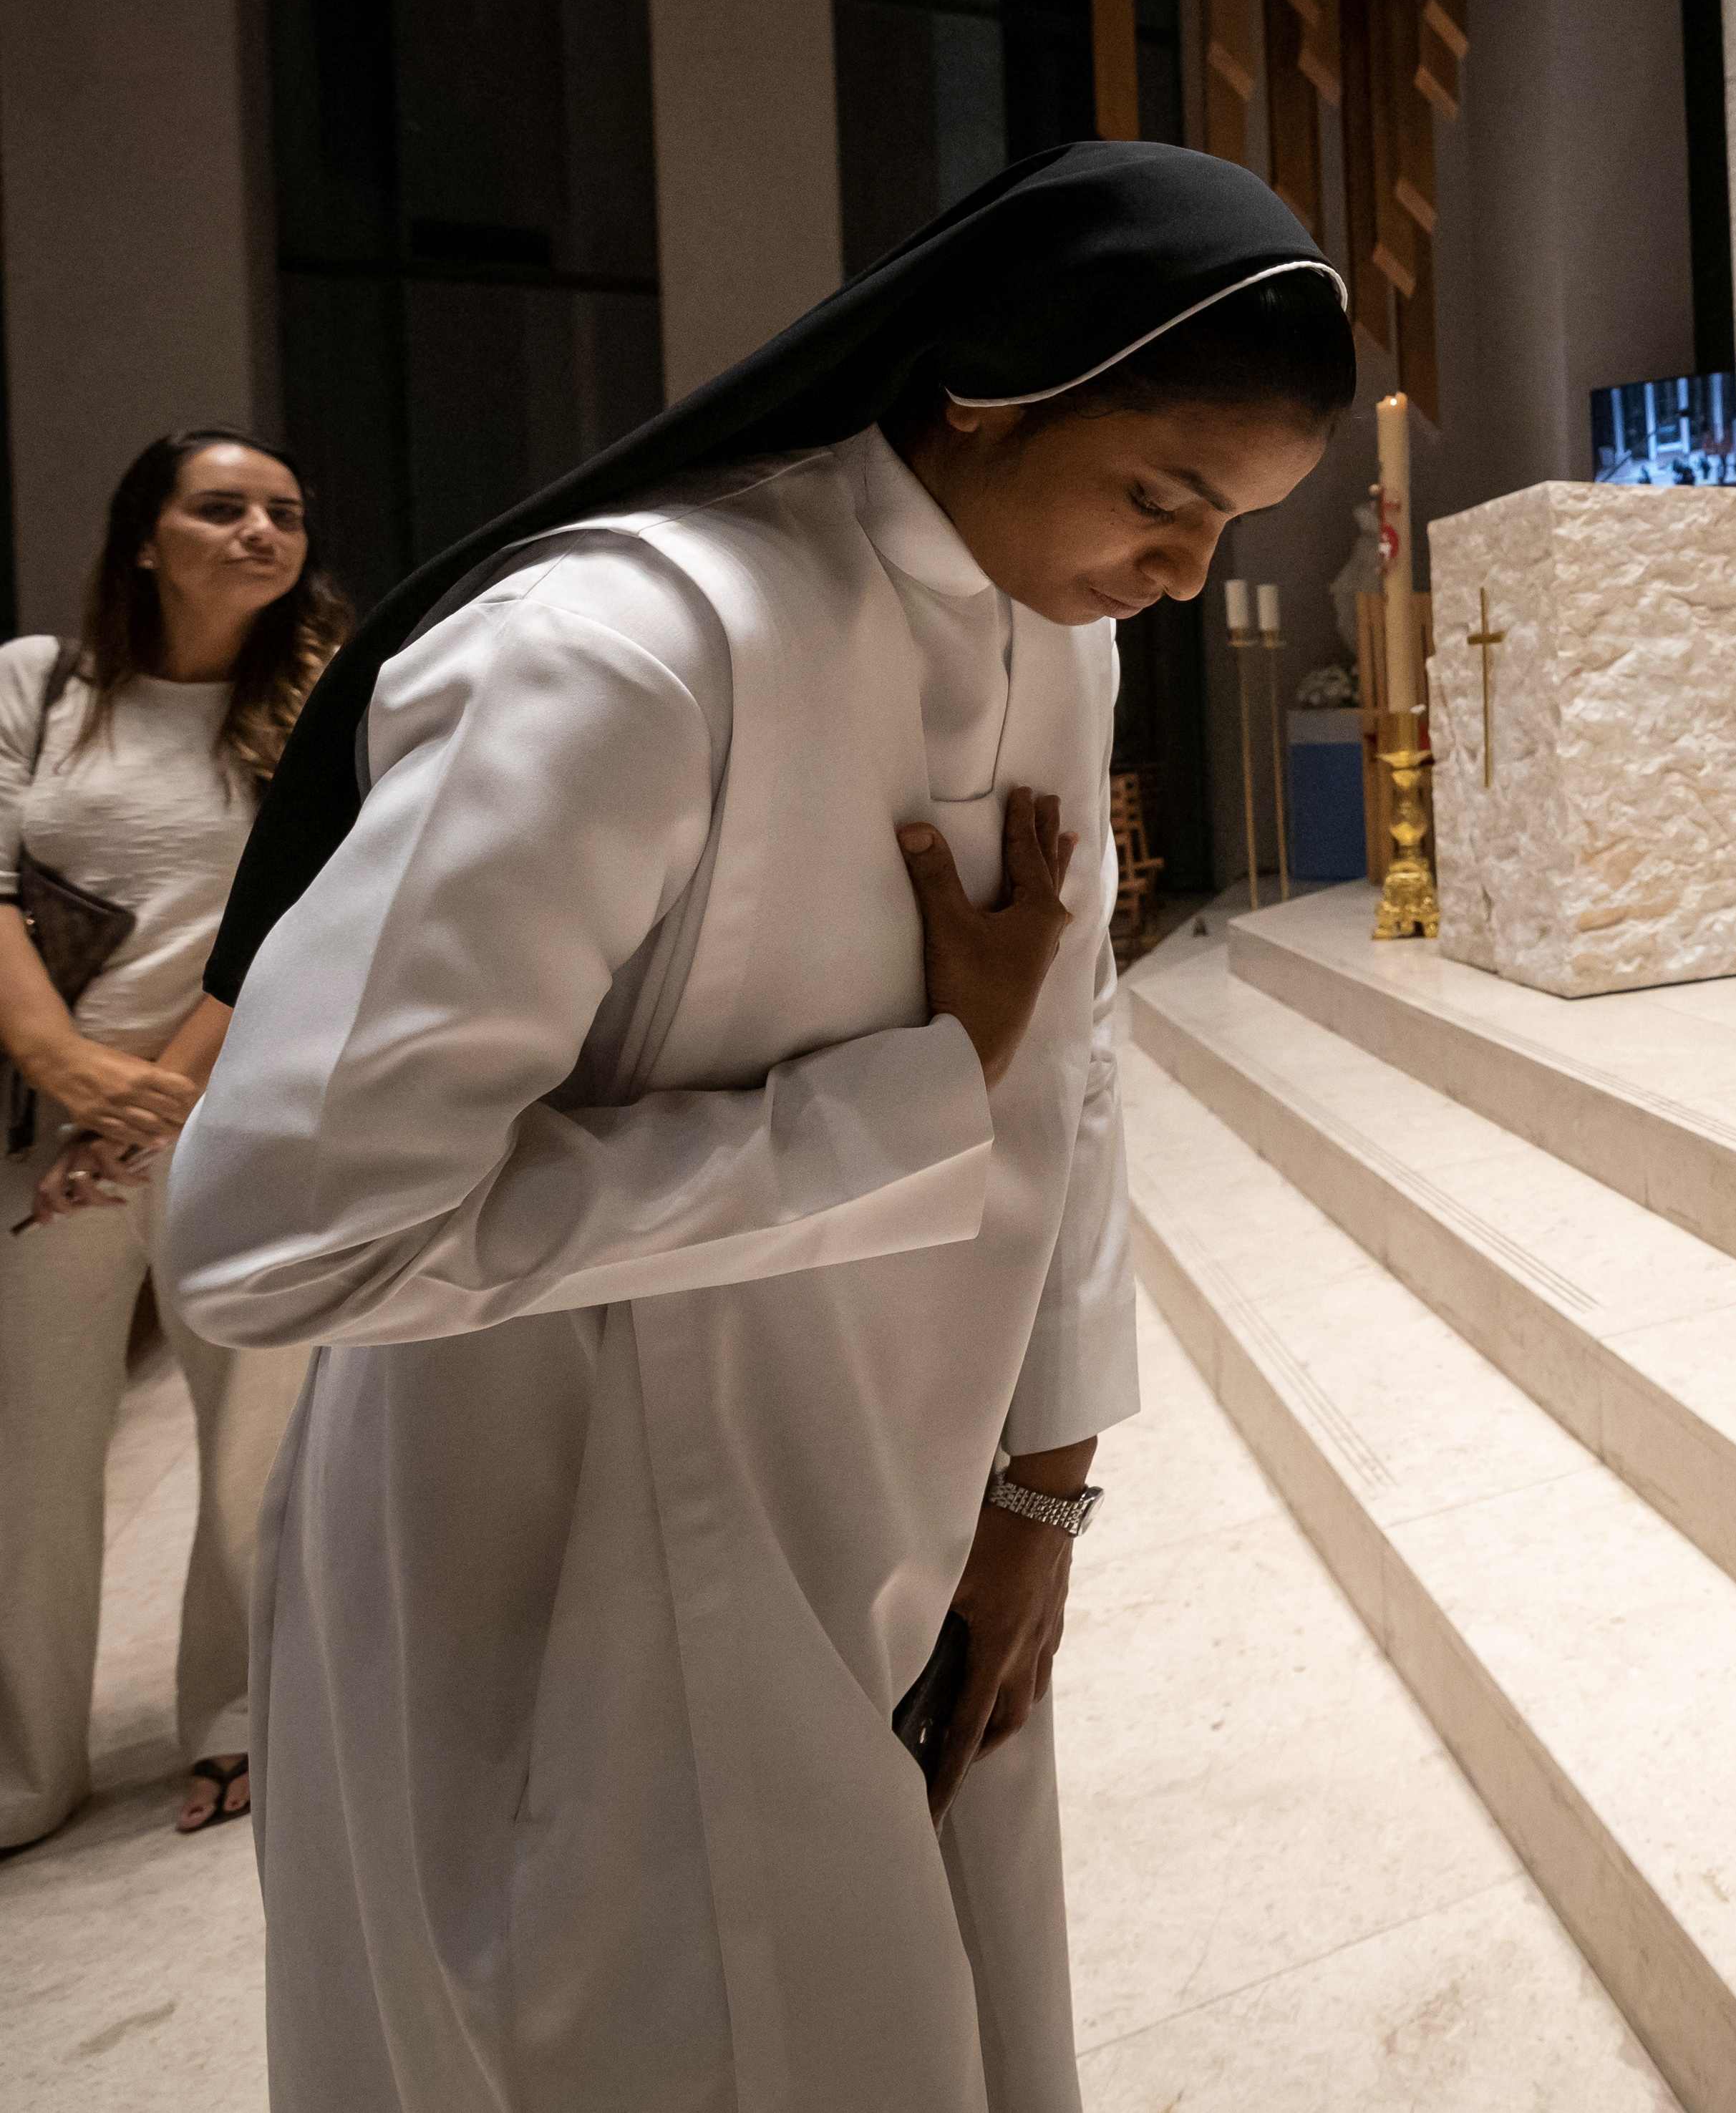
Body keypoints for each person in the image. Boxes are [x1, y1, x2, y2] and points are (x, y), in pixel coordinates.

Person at [155, 143, 1353, 2112]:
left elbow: (1077, 1059)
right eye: (1164, 494)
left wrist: (1039, 1486)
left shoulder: (1065, 633)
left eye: (1229, 522)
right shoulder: (628, 647)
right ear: (986, 378)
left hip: (904, 1486)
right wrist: (897, 1105)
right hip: (558, 1532)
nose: (1186, 569)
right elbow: (284, 1228)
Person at [0, 431, 348, 1849]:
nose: (263, 530)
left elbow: (291, 930)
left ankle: (239, 1718)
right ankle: (29, 1763)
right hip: (50, 1132)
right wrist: (66, 1064)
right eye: (223, 507)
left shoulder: (319, 709)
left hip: (237, 1117)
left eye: (286, 511)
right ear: (145, 536)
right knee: (34, 1448)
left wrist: (156, 1098)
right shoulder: (39, 683)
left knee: (257, 1435)